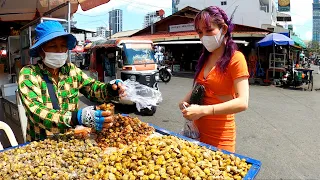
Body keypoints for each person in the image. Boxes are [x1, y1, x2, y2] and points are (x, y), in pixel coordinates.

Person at [18, 21, 126, 142]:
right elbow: (36, 112)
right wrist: (76, 117)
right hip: (41, 144)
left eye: (63, 45)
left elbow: (92, 88)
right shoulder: (29, 74)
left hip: (71, 141)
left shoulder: (71, 70)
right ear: (40, 50)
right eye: (53, 46)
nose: (60, 51)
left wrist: (110, 89)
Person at [179, 6, 249, 153]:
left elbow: (243, 102)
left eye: (209, 30)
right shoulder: (205, 58)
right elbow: (199, 86)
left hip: (220, 139)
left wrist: (204, 110)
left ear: (223, 29)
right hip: (195, 136)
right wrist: (185, 103)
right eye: (200, 32)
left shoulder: (236, 59)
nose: (204, 36)